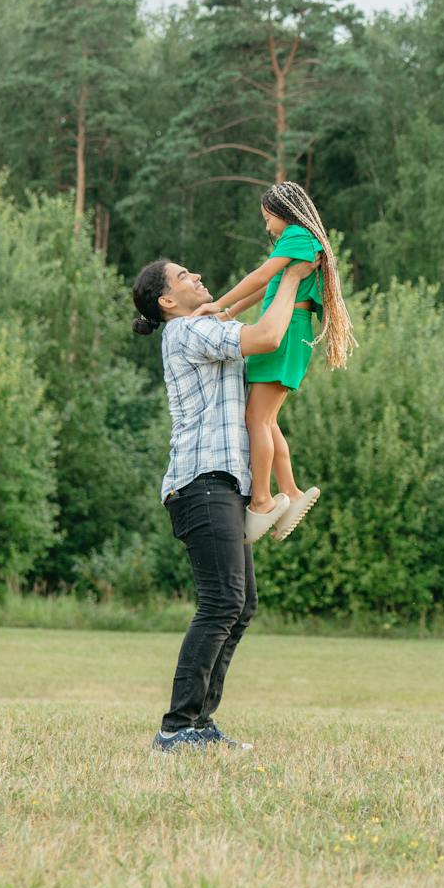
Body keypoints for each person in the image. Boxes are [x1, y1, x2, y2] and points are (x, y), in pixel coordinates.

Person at [130, 255, 315, 753]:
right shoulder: (187, 332)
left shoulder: (205, 323)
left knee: (241, 604)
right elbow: (267, 337)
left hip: (220, 485)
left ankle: (200, 723)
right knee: (221, 602)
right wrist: (293, 276)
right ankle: (175, 728)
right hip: (200, 483)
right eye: (183, 275)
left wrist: (280, 277)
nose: (195, 274)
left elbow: (247, 296)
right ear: (168, 301)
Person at [196, 182, 357, 544]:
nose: (267, 226)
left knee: (257, 419)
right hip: (288, 332)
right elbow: (263, 288)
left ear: (282, 213)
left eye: (267, 218)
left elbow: (261, 277)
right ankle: (291, 491)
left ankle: (263, 500)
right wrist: (229, 311)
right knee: (266, 420)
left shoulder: (298, 235)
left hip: (286, 334)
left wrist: (216, 302)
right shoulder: (297, 241)